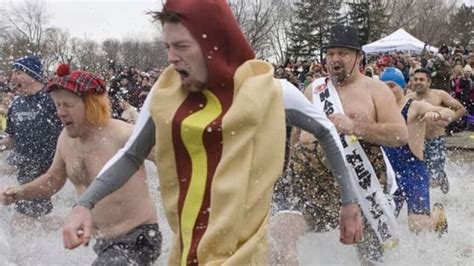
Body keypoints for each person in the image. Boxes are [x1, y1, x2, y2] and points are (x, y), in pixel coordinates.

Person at [62, 1, 363, 265]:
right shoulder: (166, 95)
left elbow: (325, 131)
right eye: (167, 46)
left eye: (181, 46)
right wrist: (83, 204)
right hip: (188, 251)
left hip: (246, 254)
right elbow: (130, 155)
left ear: (213, 45)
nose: (171, 57)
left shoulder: (268, 90)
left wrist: (348, 203)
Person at [272, 25, 409, 265]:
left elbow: (400, 135)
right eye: (331, 53)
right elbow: (296, 140)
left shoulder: (375, 90)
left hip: (361, 194)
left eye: (343, 53)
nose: (335, 59)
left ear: (358, 57)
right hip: (316, 193)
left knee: (370, 259)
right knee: (281, 231)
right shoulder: (313, 90)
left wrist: (355, 127)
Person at [0, 64, 161, 265]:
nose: (60, 112)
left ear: (91, 104)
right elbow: (52, 181)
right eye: (57, 105)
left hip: (139, 237)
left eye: (67, 105)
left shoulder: (123, 134)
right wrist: (20, 192)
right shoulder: (65, 140)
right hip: (103, 243)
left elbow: (170, 161)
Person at [380, 67, 454, 234]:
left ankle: (437, 215)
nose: (388, 90)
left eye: (392, 85)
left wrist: (437, 114)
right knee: (384, 224)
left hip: (413, 171)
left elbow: (448, 112)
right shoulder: (379, 110)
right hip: (389, 175)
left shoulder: (415, 106)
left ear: (403, 87)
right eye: (384, 86)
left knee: (418, 228)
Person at [0, 55, 63, 220]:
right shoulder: (16, 103)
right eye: (13, 72)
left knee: (22, 221)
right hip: (24, 168)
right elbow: (13, 138)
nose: (13, 77)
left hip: (47, 170)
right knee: (31, 221)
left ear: (33, 74)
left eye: (18, 72)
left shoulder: (51, 98)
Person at [408, 68, 466, 194]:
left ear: (429, 82)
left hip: (435, 140)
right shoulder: (409, 97)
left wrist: (448, 121)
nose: (418, 82)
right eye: (415, 79)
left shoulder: (439, 95)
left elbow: (460, 109)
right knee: (418, 173)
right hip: (416, 142)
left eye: (421, 79)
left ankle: (440, 176)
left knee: (434, 176)